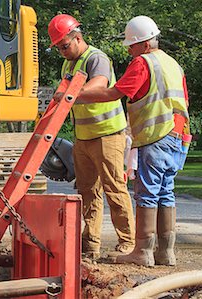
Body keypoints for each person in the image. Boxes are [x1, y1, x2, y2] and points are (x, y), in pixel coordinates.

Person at [76, 16, 190, 267]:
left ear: (144, 44)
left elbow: (113, 93)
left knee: (147, 193)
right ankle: (165, 252)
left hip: (155, 135)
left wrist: (76, 95)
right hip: (176, 135)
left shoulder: (143, 63)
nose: (129, 50)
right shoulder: (173, 63)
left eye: (132, 44)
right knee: (165, 192)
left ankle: (142, 251)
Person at [48, 14, 135, 259]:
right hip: (84, 137)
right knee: (88, 191)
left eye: (64, 46)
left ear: (77, 37)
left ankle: (127, 242)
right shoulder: (69, 64)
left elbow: (99, 84)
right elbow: (63, 91)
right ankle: (91, 244)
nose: (62, 51)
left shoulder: (95, 58)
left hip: (107, 134)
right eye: (58, 48)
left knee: (114, 188)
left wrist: (70, 95)